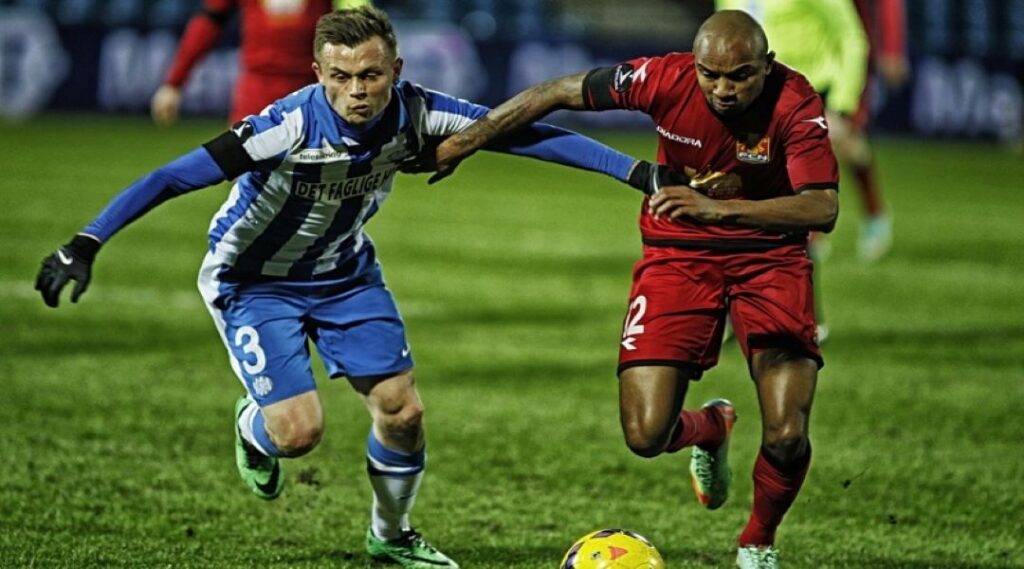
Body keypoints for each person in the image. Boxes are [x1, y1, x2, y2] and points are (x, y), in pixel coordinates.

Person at [36, 7, 670, 568]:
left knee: (403, 412)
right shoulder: (286, 125)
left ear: (395, 69)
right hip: (255, 281)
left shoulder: (419, 110)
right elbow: (172, 177)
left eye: (370, 75)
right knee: (297, 434)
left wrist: (639, 173)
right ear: (317, 73)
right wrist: (87, 241)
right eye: (340, 77)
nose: (357, 91)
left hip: (344, 274)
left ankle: (390, 537)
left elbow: (526, 133)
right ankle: (253, 425)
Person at [429, 10, 839, 569]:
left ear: (766, 65)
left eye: (740, 76)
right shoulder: (662, 78)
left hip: (770, 261)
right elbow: (556, 91)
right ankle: (711, 427)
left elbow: (822, 206)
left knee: (787, 433)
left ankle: (757, 541)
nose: (723, 90)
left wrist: (718, 210)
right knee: (646, 434)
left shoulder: (795, 101)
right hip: (678, 256)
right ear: (693, 64)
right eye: (710, 75)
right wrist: (464, 143)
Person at [715, 0, 896, 263]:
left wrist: (843, 104)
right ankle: (801, 235)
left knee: (847, 146)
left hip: (818, 84)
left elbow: (851, 37)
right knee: (759, 159)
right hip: (766, 88)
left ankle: (874, 214)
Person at [151, 0, 372, 126]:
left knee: (310, 183)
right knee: (246, 180)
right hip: (255, 94)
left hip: (312, 94)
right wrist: (174, 83)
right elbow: (208, 22)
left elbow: (358, 27)